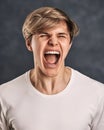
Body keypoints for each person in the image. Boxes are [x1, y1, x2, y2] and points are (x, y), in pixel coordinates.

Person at [0, 6, 104, 130]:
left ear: (69, 44)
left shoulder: (98, 94)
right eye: (44, 35)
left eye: (61, 36)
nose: (53, 42)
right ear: (29, 43)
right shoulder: (4, 96)